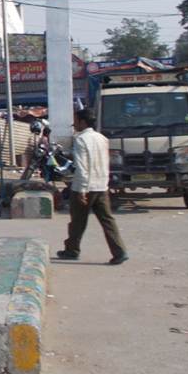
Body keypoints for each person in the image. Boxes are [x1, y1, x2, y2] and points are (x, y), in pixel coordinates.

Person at [55, 108, 128, 265]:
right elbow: (104, 163)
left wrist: (81, 190)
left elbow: (82, 167)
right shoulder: (102, 138)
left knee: (77, 221)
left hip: (85, 186)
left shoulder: (81, 140)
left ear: (83, 122)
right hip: (101, 185)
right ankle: (119, 251)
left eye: (76, 121)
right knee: (107, 220)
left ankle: (72, 250)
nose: (73, 124)